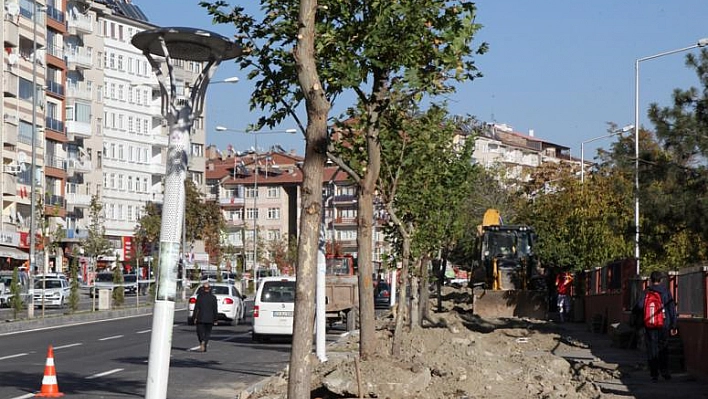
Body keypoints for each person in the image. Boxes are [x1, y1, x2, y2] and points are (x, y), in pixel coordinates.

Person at [634, 271, 678, 382]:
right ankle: (665, 371)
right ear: (661, 280)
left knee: (652, 348)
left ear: (650, 280)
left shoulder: (646, 292)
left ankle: (654, 374)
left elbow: (639, 306)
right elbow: (671, 308)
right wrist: (674, 325)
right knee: (663, 347)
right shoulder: (666, 292)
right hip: (664, 323)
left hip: (650, 324)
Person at [193, 281, 218, 352]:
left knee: (200, 332)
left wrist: (194, 317)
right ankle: (204, 343)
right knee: (207, 333)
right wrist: (216, 319)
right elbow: (215, 309)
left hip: (200, 317)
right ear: (210, 289)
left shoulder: (199, 297)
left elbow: (196, 308)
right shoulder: (213, 298)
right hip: (210, 318)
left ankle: (202, 341)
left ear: (203, 289)